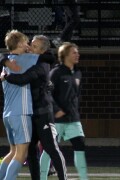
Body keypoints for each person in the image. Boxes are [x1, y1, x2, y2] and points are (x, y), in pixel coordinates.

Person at [2, 35, 67, 180]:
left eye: (35, 47)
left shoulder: (41, 64)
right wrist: (2, 59)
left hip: (43, 112)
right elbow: (3, 54)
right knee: (31, 152)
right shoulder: (28, 59)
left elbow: (23, 79)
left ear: (42, 51)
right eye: (31, 44)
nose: (30, 47)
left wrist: (6, 76)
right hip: (30, 114)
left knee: (51, 149)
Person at [40, 42, 88, 180]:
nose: (77, 55)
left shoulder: (77, 72)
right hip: (56, 119)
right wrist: (56, 110)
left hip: (73, 118)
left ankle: (84, 177)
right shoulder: (55, 73)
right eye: (74, 52)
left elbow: (76, 95)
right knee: (50, 149)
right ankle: (42, 177)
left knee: (80, 145)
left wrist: (74, 111)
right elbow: (47, 92)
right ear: (65, 55)